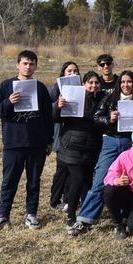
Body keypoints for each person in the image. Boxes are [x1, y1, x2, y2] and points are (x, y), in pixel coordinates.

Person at [75, 70, 133, 228]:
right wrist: (109, 119)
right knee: (101, 178)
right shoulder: (110, 98)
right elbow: (96, 118)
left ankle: (125, 215)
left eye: (129, 81)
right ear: (119, 84)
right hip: (111, 141)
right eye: (123, 82)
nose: (126, 85)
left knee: (130, 179)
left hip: (131, 143)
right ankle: (85, 219)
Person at [0, 50, 54, 230]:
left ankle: (31, 214)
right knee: (9, 181)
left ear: (36, 66)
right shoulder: (6, 86)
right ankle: (3, 215)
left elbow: (48, 116)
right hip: (13, 143)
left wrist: (49, 140)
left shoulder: (40, 88)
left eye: (32, 64)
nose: (28, 67)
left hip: (36, 144)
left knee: (34, 181)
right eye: (25, 63)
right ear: (17, 65)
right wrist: (9, 102)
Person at [54, 71, 105, 235]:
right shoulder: (73, 97)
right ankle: (71, 216)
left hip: (91, 147)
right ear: (84, 84)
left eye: (96, 83)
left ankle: (85, 214)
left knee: (87, 180)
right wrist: (58, 106)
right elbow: (55, 118)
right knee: (78, 178)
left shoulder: (103, 99)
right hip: (72, 146)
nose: (93, 85)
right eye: (90, 82)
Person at [48, 61, 81, 210]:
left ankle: (68, 198)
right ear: (63, 73)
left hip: (75, 135)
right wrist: (57, 104)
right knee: (61, 170)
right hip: (61, 134)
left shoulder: (81, 88)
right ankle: (55, 200)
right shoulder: (56, 89)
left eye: (75, 71)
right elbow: (48, 111)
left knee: (72, 170)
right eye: (69, 71)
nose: (72, 74)